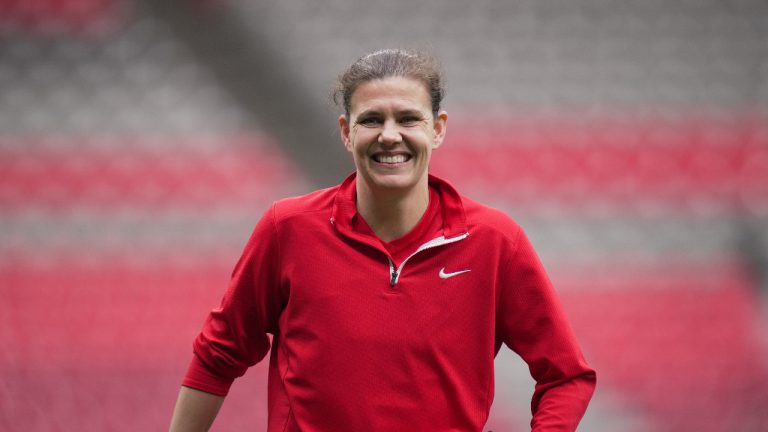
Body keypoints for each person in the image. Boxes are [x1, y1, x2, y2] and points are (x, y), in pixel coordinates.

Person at [169, 48, 596, 432]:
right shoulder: (288, 228)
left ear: (437, 129)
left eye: (408, 118)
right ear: (346, 131)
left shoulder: (495, 241)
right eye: (371, 119)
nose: (389, 135)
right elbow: (218, 355)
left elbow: (567, 376)